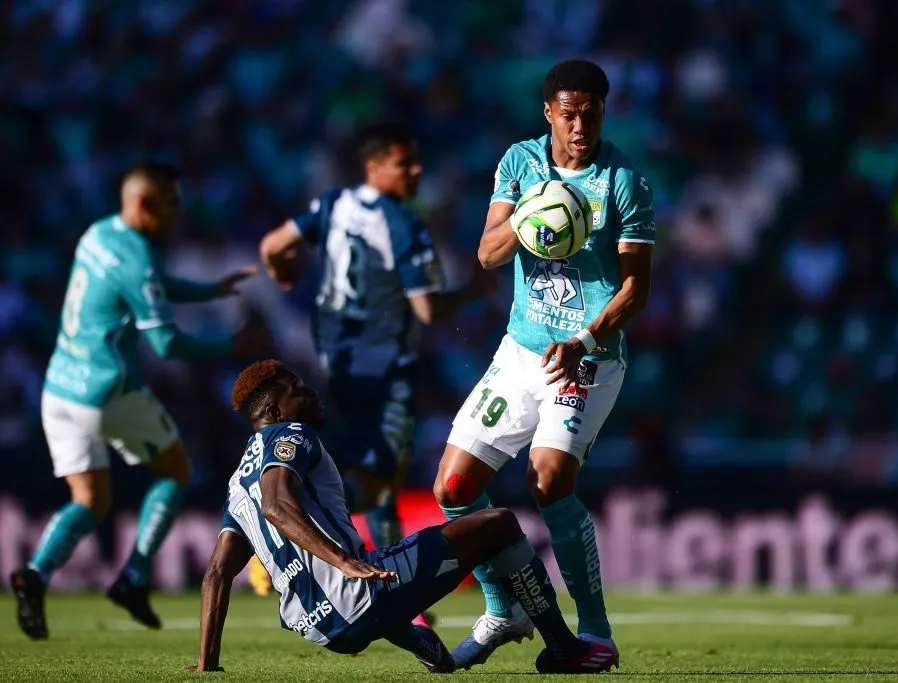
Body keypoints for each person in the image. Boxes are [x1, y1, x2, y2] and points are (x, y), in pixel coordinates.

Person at [432, 59, 656, 669]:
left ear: (604, 113)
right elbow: (486, 254)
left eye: (592, 113)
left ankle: (596, 631)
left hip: (588, 356)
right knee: (453, 487)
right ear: (550, 113)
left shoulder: (624, 183)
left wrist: (583, 340)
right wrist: (530, 217)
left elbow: (635, 291)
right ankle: (502, 609)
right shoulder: (518, 163)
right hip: (522, 347)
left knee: (549, 479)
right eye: (570, 113)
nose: (581, 125)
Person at [188, 359, 618, 674]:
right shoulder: (291, 434)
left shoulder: (235, 483)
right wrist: (344, 562)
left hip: (316, 627)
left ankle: (418, 638)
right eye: (296, 388)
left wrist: (207, 665)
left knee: (384, 578)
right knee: (499, 524)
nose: (310, 391)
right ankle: (564, 647)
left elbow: (217, 574)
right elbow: (276, 504)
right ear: (276, 412)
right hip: (357, 596)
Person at [11, 162, 271, 640]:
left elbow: (148, 286)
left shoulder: (98, 234)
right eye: (171, 203)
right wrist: (234, 346)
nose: (179, 212)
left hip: (60, 388)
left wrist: (208, 290)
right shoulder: (139, 257)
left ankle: (35, 572)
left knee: (88, 500)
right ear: (145, 205)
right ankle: (133, 577)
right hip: (109, 391)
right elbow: (167, 345)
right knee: (174, 471)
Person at [256, 123, 495, 585]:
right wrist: (474, 290)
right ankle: (287, 526)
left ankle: (391, 579)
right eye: (404, 163)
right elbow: (428, 309)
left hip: (334, 365)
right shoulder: (403, 224)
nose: (416, 171)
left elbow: (272, 246)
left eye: (416, 161)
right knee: (380, 479)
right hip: (385, 370)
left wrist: (282, 273)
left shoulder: (332, 205)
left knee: (380, 476)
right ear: (374, 167)